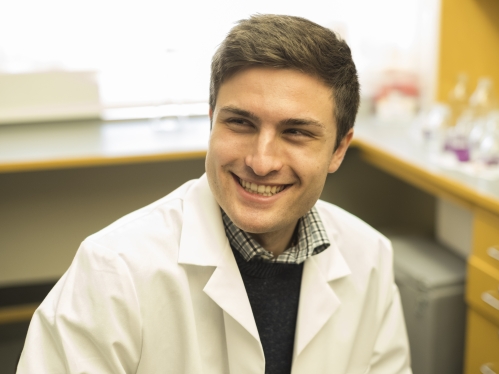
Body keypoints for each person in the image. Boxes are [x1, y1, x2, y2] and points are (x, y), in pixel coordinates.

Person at [18, 14, 411, 374]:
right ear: (211, 122)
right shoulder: (113, 271)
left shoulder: (370, 258)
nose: (261, 162)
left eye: (296, 132)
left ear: (339, 149)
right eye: (240, 123)